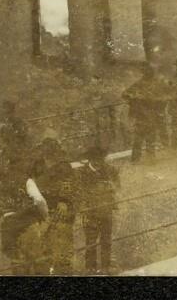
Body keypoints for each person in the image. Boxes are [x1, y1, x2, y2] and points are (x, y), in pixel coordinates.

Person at [0, 156, 49, 273]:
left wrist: (3, 212)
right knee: (38, 259)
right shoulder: (27, 181)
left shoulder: (2, 183)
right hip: (27, 224)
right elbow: (39, 200)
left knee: (17, 262)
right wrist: (45, 214)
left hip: (9, 227)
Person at [34, 138, 78, 274]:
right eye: (44, 150)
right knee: (45, 244)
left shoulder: (63, 166)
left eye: (49, 150)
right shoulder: (38, 166)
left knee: (63, 244)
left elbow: (69, 184)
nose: (46, 153)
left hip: (61, 210)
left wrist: (63, 201)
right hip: (43, 210)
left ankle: (64, 271)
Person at [78, 144, 120, 274]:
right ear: (90, 159)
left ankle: (105, 267)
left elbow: (117, 187)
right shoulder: (81, 173)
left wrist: (111, 189)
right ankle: (90, 268)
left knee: (106, 240)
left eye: (101, 158)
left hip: (106, 210)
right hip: (90, 212)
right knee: (91, 241)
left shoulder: (110, 170)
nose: (99, 162)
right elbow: (79, 193)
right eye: (95, 159)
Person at [124, 65, 160, 163]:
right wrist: (135, 99)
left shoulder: (154, 84)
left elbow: (160, 98)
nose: (150, 74)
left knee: (148, 138)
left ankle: (148, 158)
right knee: (140, 138)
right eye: (148, 72)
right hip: (142, 115)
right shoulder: (139, 84)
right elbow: (125, 94)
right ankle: (139, 159)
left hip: (150, 114)